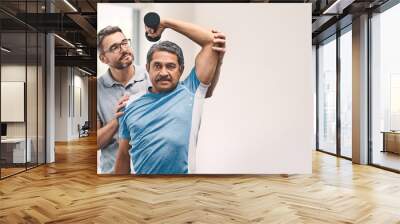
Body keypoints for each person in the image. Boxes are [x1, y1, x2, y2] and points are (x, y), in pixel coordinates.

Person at [97, 26, 225, 174]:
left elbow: (212, 41)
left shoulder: (190, 91)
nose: (164, 72)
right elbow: (124, 154)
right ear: (148, 68)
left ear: (181, 69)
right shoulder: (130, 103)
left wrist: (164, 22)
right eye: (157, 66)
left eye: (170, 66)